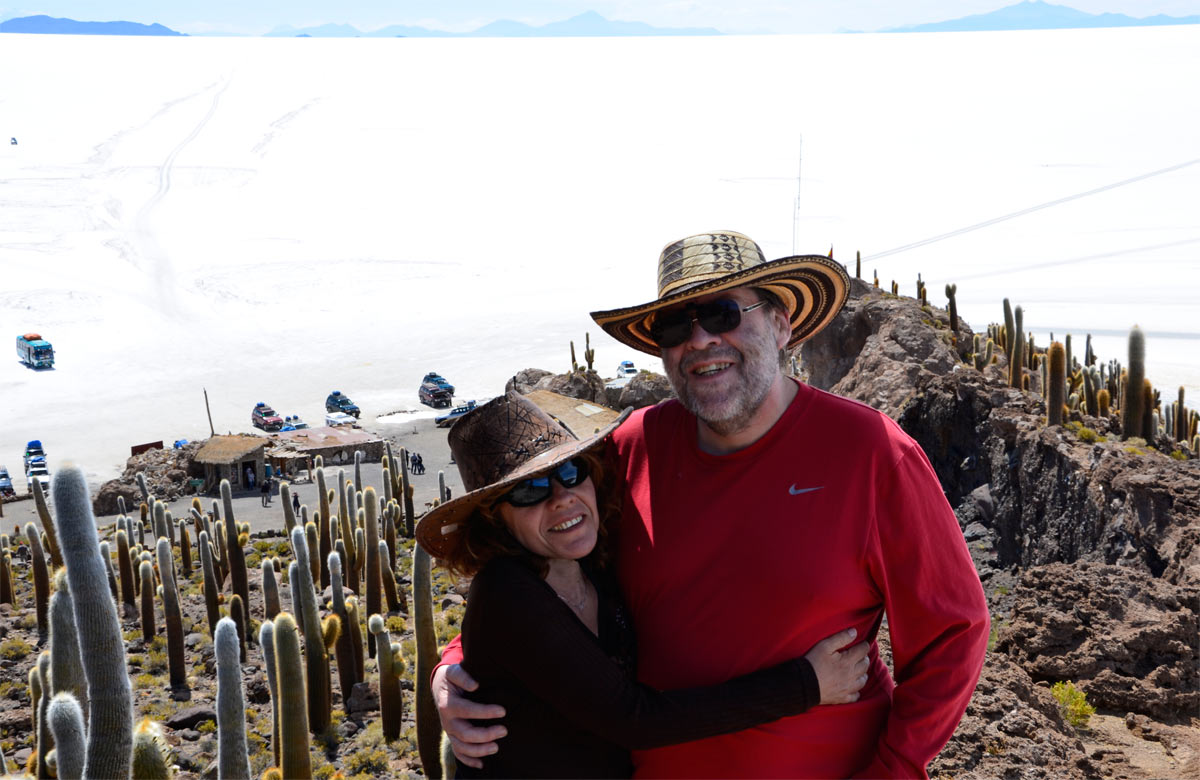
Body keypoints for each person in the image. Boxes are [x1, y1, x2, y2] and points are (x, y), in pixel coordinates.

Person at [435, 231, 990, 778]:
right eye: (677, 326)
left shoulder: (872, 453)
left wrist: (893, 771)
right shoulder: (630, 448)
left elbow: (953, 632)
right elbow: (539, 573)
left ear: (779, 325)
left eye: (723, 313)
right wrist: (458, 667)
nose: (700, 340)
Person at [416, 391, 870, 778]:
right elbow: (633, 719)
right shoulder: (507, 592)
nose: (561, 497)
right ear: (496, 517)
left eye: (571, 472)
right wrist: (807, 684)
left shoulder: (593, 560)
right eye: (529, 490)